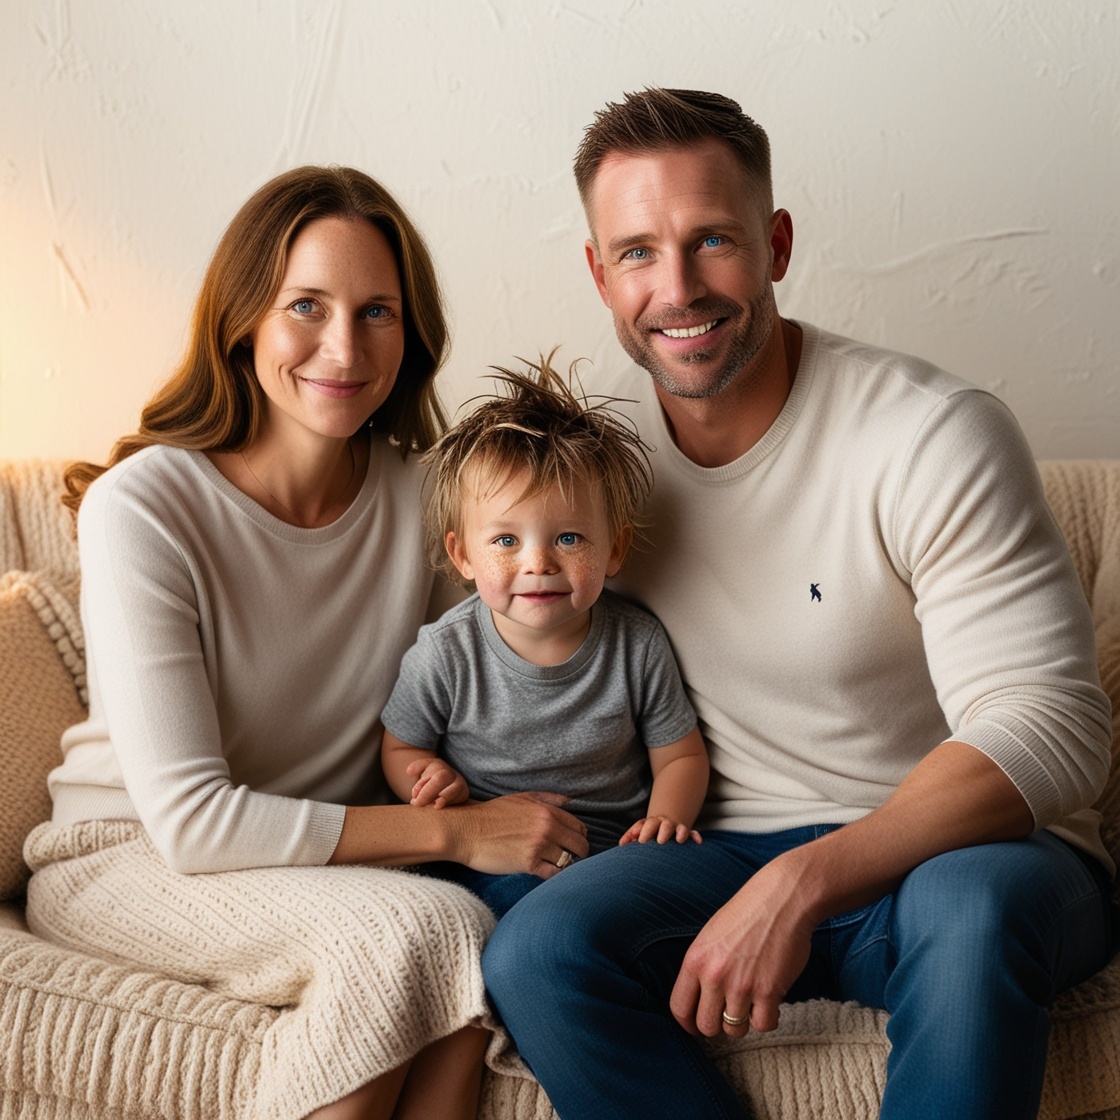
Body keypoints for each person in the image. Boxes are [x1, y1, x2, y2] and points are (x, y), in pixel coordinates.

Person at [482, 89, 1116, 1120]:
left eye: (712, 240)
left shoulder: (928, 433)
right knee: (541, 946)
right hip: (718, 856)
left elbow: (1053, 731)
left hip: (969, 857)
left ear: (775, 245)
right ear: (599, 274)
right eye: (638, 252)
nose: (677, 289)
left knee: (968, 908)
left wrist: (804, 881)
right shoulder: (590, 466)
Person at [23, 165, 591, 1120]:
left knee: (475, 948)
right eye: (306, 306)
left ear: (410, 337)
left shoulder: (429, 502)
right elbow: (193, 823)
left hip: (327, 864)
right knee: (422, 929)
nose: (344, 346)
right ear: (243, 320)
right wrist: (457, 833)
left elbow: (497, 675)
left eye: (378, 313)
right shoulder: (146, 506)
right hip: (127, 856)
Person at [380, 356, 710, 916]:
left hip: (609, 857)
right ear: (463, 555)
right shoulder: (445, 653)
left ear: (614, 550)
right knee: (468, 904)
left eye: (569, 538)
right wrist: (429, 776)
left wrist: (665, 819)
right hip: (489, 854)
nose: (538, 563)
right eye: (506, 541)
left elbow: (681, 757)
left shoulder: (637, 645)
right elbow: (399, 746)